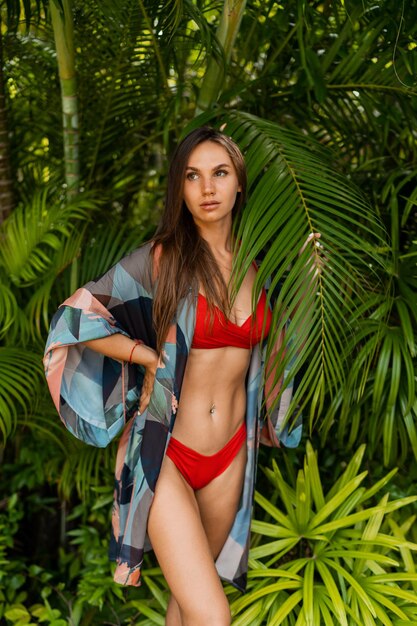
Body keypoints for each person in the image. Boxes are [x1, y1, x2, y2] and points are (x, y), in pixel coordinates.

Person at [44, 127, 314, 626]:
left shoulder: (263, 270)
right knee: (213, 615)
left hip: (229, 455)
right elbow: (74, 318)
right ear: (180, 188)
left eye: (219, 173)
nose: (207, 188)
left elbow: (283, 352)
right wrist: (144, 356)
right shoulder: (162, 260)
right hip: (166, 452)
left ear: (238, 185)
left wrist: (305, 270)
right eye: (193, 176)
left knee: (187, 606)